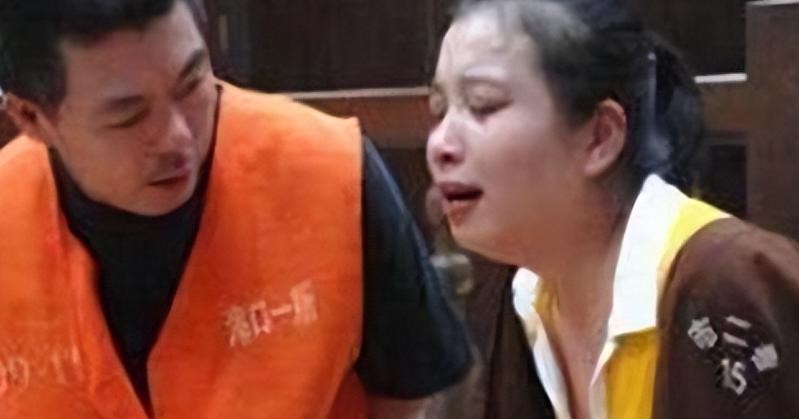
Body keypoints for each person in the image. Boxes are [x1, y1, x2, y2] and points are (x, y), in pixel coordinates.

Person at [0, 0, 471, 417]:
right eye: (129, 116)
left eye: (191, 85)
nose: (177, 138)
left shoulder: (331, 173)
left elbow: (410, 392)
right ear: (31, 117)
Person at [425, 0, 799, 418]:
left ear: (600, 137)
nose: (440, 145)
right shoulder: (520, 296)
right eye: (439, 110)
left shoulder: (728, 283)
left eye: (483, 104)